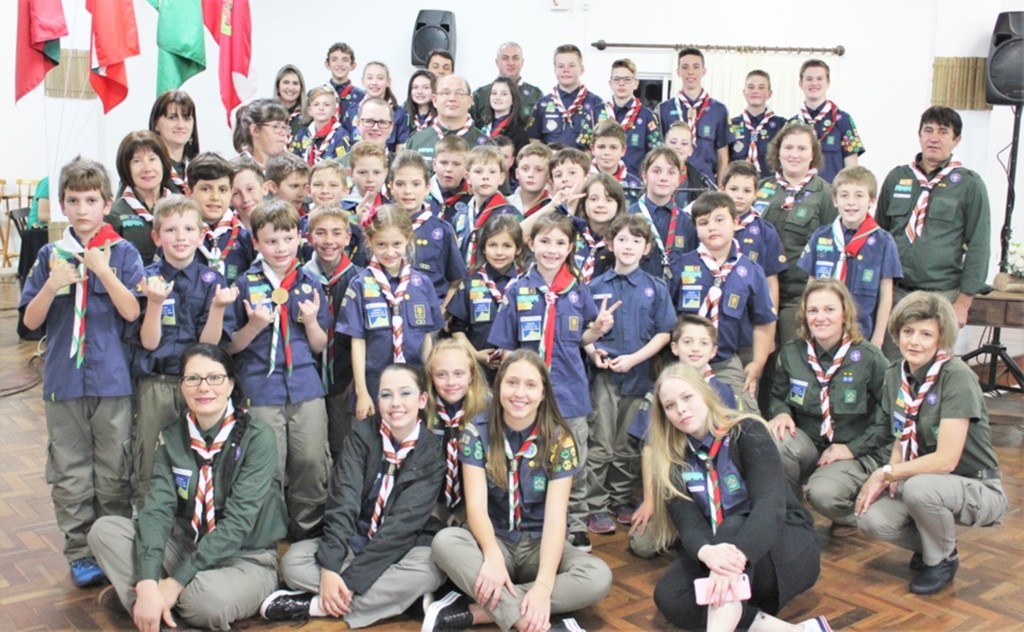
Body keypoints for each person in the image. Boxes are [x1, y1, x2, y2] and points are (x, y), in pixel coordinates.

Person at [88, 343, 287, 631]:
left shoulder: (258, 438)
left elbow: (239, 523)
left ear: (230, 384)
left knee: (205, 601)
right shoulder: (172, 436)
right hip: (185, 544)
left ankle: (151, 607)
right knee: (105, 531)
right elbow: (156, 511)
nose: (203, 387)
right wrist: (146, 581)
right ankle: (152, 603)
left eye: (214, 378)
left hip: (246, 557)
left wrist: (176, 582)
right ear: (182, 386)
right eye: (192, 378)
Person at [20, 158, 144, 587]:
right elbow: (29, 323)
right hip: (64, 382)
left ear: (107, 203)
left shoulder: (124, 252)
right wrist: (53, 284)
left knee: (114, 468)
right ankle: (79, 552)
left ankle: (110, 545)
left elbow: (132, 312)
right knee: (70, 470)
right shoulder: (48, 255)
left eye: (91, 200)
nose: (82, 209)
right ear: (62, 205)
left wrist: (104, 272)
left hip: (112, 381)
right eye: (73, 201)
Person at [426, 350, 613, 632]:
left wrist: (543, 585)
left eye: (530, 385)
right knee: (445, 542)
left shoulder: (560, 439)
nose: (519, 393)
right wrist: (491, 555)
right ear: (498, 386)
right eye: (511, 382)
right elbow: (475, 507)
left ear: (543, 393)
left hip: (540, 546)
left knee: (598, 576)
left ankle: (481, 612)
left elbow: (555, 519)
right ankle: (532, 622)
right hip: (495, 539)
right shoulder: (477, 432)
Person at [646, 363, 827, 632]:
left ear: (705, 394)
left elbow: (771, 507)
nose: (680, 409)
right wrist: (709, 553)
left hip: (780, 549)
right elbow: (689, 526)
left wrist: (730, 561)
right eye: (670, 406)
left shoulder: (747, 431)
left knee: (733, 526)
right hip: (720, 551)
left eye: (687, 397)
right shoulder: (671, 460)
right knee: (670, 595)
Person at [262, 364, 446, 627]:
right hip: (353, 541)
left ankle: (315, 605)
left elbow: (401, 529)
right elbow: (342, 504)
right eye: (386, 395)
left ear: (422, 400)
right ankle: (401, 601)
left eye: (405, 393)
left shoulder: (431, 455)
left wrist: (348, 582)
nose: (396, 404)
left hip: (399, 551)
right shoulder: (361, 436)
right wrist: (329, 567)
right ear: (377, 399)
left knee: (430, 571)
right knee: (293, 562)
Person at [856, 292, 1007, 594]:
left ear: (941, 338)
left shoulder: (956, 377)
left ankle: (943, 559)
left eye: (926, 334)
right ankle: (932, 545)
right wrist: (893, 472)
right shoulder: (894, 374)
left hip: (976, 485)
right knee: (870, 519)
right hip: (926, 482)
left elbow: (946, 461)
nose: (914, 341)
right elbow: (902, 434)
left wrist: (886, 473)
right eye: (908, 331)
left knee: (919, 488)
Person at [488, 212, 619, 552]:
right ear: (531, 244)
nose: (552, 249)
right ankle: (533, 520)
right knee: (531, 458)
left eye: (560, 242)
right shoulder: (517, 291)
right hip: (526, 396)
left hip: (569, 392)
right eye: (544, 241)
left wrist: (599, 330)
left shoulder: (577, 291)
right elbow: (506, 348)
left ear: (570, 247)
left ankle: (574, 524)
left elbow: (583, 336)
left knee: (572, 459)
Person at [226, 199, 332, 540]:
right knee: (267, 467)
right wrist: (254, 326)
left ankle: (307, 532)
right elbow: (230, 347)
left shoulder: (310, 284)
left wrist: (314, 321)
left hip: (305, 388)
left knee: (312, 463)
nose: (281, 248)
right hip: (261, 390)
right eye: (271, 241)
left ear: (299, 239)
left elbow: (319, 345)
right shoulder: (244, 285)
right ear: (255, 243)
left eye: (287, 239)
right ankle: (269, 538)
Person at [129, 195, 236, 505]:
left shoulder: (211, 280)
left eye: (189, 229)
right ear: (156, 237)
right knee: (151, 453)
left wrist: (217, 308)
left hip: (200, 385)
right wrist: (154, 303)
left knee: (202, 452)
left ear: (202, 234)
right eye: (171, 230)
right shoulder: (146, 280)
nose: (181, 237)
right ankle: (150, 522)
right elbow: (149, 342)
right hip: (158, 385)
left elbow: (209, 346)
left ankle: (199, 520)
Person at [767, 279, 890, 537]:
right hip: (812, 447)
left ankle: (850, 513)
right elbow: (778, 396)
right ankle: (793, 516)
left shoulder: (869, 357)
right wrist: (781, 413)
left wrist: (852, 448)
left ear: (845, 312)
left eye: (829, 309)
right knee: (776, 440)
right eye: (813, 311)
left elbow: (890, 418)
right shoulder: (792, 352)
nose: (820, 317)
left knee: (823, 494)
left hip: (855, 450)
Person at [584, 213, 675, 536]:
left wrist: (634, 359)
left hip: (639, 377)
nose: (628, 246)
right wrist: (595, 355)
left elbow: (664, 333)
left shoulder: (656, 288)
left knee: (628, 443)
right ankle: (594, 505)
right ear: (609, 243)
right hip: (604, 378)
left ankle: (620, 499)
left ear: (647, 247)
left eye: (636, 240)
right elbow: (584, 332)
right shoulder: (593, 287)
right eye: (621, 239)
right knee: (601, 442)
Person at [875, 106, 991, 355]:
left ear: (956, 139)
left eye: (943, 131)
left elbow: (979, 245)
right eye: (928, 130)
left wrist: (964, 302)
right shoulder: (897, 178)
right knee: (891, 366)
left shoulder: (969, 184)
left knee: (931, 372)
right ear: (919, 135)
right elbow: (879, 235)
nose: (934, 137)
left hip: (942, 296)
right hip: (896, 293)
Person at [627, 314, 741, 559]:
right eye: (688, 342)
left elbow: (729, 449)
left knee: (729, 533)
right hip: (674, 483)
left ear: (714, 351)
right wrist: (649, 500)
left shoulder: (724, 392)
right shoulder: (661, 389)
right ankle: (684, 530)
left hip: (711, 481)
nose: (695, 348)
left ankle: (695, 532)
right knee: (643, 545)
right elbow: (649, 448)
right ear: (675, 347)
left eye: (703, 343)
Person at [671, 192, 777, 413]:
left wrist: (757, 363)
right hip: (684, 362)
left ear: (736, 223)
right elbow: (666, 317)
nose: (712, 227)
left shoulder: (750, 271)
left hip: (725, 362)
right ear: (696, 229)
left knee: (747, 416)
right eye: (703, 222)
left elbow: (764, 321)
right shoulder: (681, 266)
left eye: (720, 220)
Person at [338, 204, 443, 420]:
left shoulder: (421, 284)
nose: (389, 252)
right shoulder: (360, 284)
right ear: (369, 242)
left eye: (396, 244)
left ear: (408, 239)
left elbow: (426, 339)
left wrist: (430, 386)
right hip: (375, 386)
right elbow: (357, 342)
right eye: (381, 245)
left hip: (414, 386)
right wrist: (362, 392)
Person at [798, 166, 902, 346]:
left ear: (872, 200)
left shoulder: (884, 241)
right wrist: (807, 328)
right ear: (835, 200)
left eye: (859, 195)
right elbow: (811, 285)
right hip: (823, 331)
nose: (851, 202)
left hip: (863, 333)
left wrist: (878, 338)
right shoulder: (821, 236)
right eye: (844, 195)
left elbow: (886, 293)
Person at [755, 122, 838, 348]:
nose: (794, 154)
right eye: (788, 147)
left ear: (813, 154)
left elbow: (833, 250)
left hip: (798, 296)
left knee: (791, 361)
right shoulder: (759, 189)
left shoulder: (827, 195)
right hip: (759, 293)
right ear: (778, 151)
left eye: (802, 148)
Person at [303, 203, 363, 457]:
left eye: (337, 233)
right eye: (320, 233)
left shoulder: (361, 280)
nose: (329, 241)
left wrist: (357, 380)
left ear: (348, 237)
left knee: (343, 447)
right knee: (310, 451)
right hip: (307, 382)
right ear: (308, 237)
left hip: (345, 380)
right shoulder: (298, 279)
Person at [449, 214, 526, 383]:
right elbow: (457, 329)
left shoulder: (529, 285)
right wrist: (475, 355)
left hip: (522, 368)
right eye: (492, 245)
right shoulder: (471, 283)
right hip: (479, 370)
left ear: (518, 249)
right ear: (483, 248)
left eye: (507, 246)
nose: (499, 252)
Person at [388, 150, 467, 307]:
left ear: (427, 187)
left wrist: (443, 312)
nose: (408, 191)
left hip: (428, 316)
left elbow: (457, 278)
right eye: (400, 184)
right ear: (391, 186)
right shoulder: (380, 225)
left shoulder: (442, 229)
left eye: (416, 184)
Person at [426, 339, 491, 524]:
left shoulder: (489, 409)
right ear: (431, 375)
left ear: (472, 375)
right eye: (441, 375)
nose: (450, 382)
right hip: (431, 501)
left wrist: (466, 511)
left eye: (459, 374)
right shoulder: (422, 409)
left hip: (480, 502)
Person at [722, 161, 787, 328]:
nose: (739, 196)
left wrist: (770, 329)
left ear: (756, 194)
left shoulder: (766, 231)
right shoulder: (709, 225)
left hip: (751, 317)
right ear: (722, 189)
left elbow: (771, 283)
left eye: (747, 191)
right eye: (734, 189)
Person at [656, 48, 730, 185]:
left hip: (706, 183)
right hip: (672, 182)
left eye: (696, 67)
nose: (690, 72)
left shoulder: (719, 110)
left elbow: (723, 157)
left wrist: (720, 189)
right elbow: (657, 151)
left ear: (704, 71)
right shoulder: (664, 109)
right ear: (678, 72)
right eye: (685, 67)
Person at [627, 147, 697, 281]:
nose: (663, 178)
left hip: (673, 298)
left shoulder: (687, 223)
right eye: (657, 171)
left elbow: (691, 268)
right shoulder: (628, 217)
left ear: (678, 180)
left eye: (671, 173)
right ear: (644, 176)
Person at [792, 59, 865, 184]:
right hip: (801, 196)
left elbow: (852, 169)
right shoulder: (792, 125)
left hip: (832, 195)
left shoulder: (843, 120)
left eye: (819, 78)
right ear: (800, 84)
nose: (814, 83)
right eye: (809, 79)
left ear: (828, 83)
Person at [108, 131, 175, 264]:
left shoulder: (181, 208)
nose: (147, 168)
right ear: (126, 168)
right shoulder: (113, 213)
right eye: (137, 161)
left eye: (152, 159)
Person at [189, 153, 256, 284]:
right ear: (188, 191)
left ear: (231, 192)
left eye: (222, 190)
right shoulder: (179, 235)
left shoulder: (244, 238)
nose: (215, 197)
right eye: (206, 189)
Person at [527, 44, 607, 151]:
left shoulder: (596, 104)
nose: (566, 70)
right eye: (561, 66)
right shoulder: (542, 105)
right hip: (551, 165)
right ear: (554, 69)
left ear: (582, 69)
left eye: (571, 65)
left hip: (584, 166)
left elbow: (603, 141)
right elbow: (534, 139)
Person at [456, 145, 523, 265]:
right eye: (478, 171)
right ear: (467, 177)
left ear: (502, 178)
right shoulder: (460, 215)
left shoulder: (511, 214)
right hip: (463, 280)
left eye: (492, 172)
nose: (485, 177)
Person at [406, 75, 488, 161]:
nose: (452, 98)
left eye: (460, 93)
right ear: (434, 100)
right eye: (445, 93)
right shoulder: (415, 142)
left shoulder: (487, 146)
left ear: (470, 100)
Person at [605, 58, 661, 177]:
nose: (621, 83)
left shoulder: (647, 116)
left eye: (627, 79)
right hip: (602, 183)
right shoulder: (599, 112)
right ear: (610, 83)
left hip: (634, 186)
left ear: (636, 84)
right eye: (617, 79)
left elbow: (655, 154)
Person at [728, 71, 787, 179]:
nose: (755, 91)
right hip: (738, 186)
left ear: (770, 93)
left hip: (770, 186)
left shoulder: (782, 125)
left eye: (761, 87)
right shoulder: (731, 124)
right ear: (744, 92)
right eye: (751, 87)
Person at [470, 42, 544, 122]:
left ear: (522, 62)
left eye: (515, 58)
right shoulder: (480, 95)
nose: (511, 63)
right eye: (505, 58)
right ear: (497, 62)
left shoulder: (535, 94)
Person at [573, 173, 627, 283]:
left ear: (619, 204)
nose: (600, 205)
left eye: (608, 200)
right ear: (583, 203)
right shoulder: (570, 232)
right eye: (593, 199)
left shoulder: (625, 240)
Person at [148, 90, 200, 193]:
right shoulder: (146, 170)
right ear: (156, 123)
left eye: (186, 118)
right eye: (172, 117)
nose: (181, 125)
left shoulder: (199, 170)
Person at [289, 86, 352, 166]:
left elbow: (343, 166)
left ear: (334, 111)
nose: (321, 108)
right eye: (316, 104)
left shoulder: (340, 136)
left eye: (326, 105)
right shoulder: (302, 135)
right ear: (310, 111)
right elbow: (291, 162)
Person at [663, 121, 717, 208]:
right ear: (664, 145)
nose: (678, 147)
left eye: (684, 143)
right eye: (673, 142)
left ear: (690, 150)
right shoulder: (652, 175)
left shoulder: (700, 181)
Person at [360, 61, 410, 153]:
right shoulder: (352, 111)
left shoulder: (400, 114)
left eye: (380, 78)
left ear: (388, 82)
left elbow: (400, 152)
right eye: (370, 78)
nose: (374, 82)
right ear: (363, 81)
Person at [590, 120, 643, 204]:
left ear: (623, 150)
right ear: (593, 149)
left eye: (613, 147)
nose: (607, 152)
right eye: (601, 147)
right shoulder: (582, 181)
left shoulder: (635, 185)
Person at [479, 76, 531, 156]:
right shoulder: (479, 124)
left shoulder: (519, 131)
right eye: (494, 93)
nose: (497, 97)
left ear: (513, 99)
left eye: (504, 94)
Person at [233, 98, 291, 171]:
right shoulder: (238, 172)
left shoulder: (293, 168)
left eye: (284, 127)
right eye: (276, 126)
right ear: (255, 130)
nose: (283, 133)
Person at [427, 134, 473, 223]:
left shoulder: (473, 197)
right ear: (434, 164)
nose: (449, 169)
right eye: (444, 163)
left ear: (466, 168)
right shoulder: (422, 192)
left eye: (456, 164)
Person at [324, 42, 365, 129]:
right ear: (327, 65)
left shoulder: (362, 97)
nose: (339, 64)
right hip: (325, 141)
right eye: (334, 59)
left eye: (345, 60)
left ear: (353, 65)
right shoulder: (316, 95)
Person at [508, 143, 552, 217]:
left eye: (538, 170)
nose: (530, 175)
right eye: (525, 169)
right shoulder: (504, 204)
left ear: (548, 175)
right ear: (517, 173)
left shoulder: (554, 208)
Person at [229, 155, 267, 231]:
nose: (245, 199)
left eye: (250, 189)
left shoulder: (285, 223)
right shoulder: (225, 235)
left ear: (264, 188)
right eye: (236, 193)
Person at [274, 64, 308, 137]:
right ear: (278, 86)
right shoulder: (268, 115)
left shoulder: (309, 115)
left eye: (295, 83)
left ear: (301, 88)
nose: (290, 88)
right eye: (286, 82)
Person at [405, 69, 438, 133]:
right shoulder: (403, 115)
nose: (419, 92)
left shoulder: (441, 117)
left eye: (425, 87)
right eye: (415, 87)